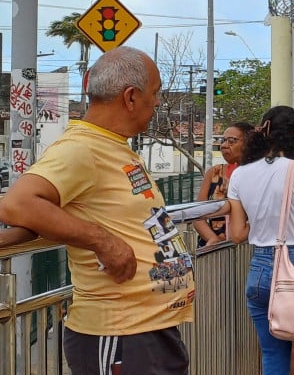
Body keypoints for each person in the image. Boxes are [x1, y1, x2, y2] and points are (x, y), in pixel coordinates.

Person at [0, 46, 194, 374]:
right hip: (119, 335)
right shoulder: (81, 149)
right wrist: (103, 241)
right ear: (131, 97)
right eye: (155, 93)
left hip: (146, 329)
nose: (158, 102)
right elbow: (18, 204)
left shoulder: (112, 145)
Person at [228, 106, 294, 375]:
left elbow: (237, 234)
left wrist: (263, 219)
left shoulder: (240, 174)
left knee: (272, 354)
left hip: (260, 266)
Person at [194, 121, 254, 247]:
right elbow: (197, 214)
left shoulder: (258, 174)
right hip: (215, 251)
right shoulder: (214, 173)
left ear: (249, 143)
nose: (224, 145)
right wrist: (212, 239)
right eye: (223, 140)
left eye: (231, 141)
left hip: (247, 246)